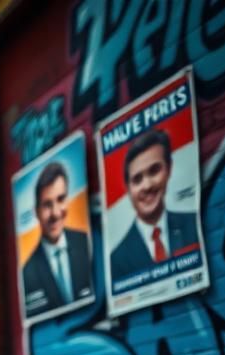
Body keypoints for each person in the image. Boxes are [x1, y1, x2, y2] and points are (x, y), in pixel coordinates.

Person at [108, 129, 201, 288]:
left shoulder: (194, 224)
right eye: (137, 180)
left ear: (168, 169)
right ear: (128, 189)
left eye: (154, 170)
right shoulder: (117, 259)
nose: (147, 185)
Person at [21, 162, 93, 319]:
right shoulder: (27, 272)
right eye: (47, 205)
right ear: (36, 212)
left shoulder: (85, 243)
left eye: (60, 199)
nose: (55, 213)